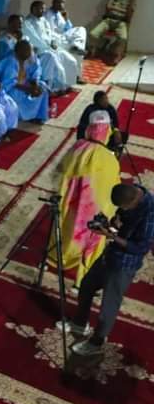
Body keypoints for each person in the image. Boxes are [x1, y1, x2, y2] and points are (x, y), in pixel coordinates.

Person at [62, 183, 154, 356]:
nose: (122, 209)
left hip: (123, 265)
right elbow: (120, 217)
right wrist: (112, 223)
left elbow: (140, 248)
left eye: (124, 207)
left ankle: (96, 342)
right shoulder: (133, 190)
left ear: (134, 200)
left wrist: (111, 235)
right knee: (86, 285)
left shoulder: (150, 215)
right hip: (110, 254)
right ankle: (80, 323)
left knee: (108, 306)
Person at [53, 111, 121, 287]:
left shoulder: (76, 148)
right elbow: (112, 192)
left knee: (65, 231)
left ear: (89, 128)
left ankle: (55, 259)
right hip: (93, 212)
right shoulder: (110, 159)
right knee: (91, 241)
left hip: (70, 205)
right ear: (107, 131)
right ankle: (81, 281)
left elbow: (60, 173)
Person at [23, 0, 80, 93]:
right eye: (41, 9)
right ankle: (53, 88)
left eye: (44, 9)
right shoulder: (27, 23)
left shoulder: (43, 20)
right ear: (34, 9)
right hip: (40, 50)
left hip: (50, 47)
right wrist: (48, 46)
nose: (43, 11)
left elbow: (50, 34)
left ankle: (68, 85)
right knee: (54, 62)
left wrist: (53, 42)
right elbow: (34, 39)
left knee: (70, 60)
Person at [0, 40, 49, 123]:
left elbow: (35, 70)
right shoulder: (11, 61)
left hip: (26, 84)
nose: (28, 54)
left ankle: (38, 116)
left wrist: (35, 84)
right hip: (12, 88)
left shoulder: (30, 57)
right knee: (15, 94)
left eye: (29, 51)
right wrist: (28, 89)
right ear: (17, 51)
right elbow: (8, 83)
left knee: (42, 87)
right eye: (25, 51)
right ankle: (19, 115)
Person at [90, 0, 136, 65]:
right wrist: (121, 10)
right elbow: (108, 6)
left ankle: (117, 55)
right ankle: (94, 50)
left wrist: (116, 7)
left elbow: (129, 12)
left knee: (123, 38)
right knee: (93, 34)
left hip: (121, 22)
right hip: (108, 20)